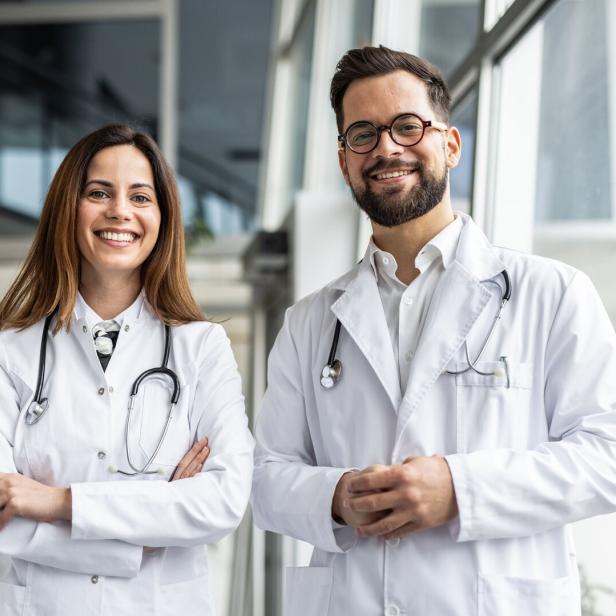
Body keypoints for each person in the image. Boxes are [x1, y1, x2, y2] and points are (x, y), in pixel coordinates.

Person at [251, 46, 616, 615]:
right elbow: (267, 480)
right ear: (345, 160)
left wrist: (460, 490)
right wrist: (337, 497)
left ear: (450, 144)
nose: (386, 148)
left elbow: (606, 456)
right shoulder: (309, 323)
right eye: (363, 134)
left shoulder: (553, 294)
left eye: (407, 126)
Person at [0, 124, 254, 615]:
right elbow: (5, 515)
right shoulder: (11, 353)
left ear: (162, 218)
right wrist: (148, 533)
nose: (120, 211)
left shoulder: (201, 348)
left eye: (141, 196)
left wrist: (56, 503)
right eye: (99, 193)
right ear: (67, 209)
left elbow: (223, 501)